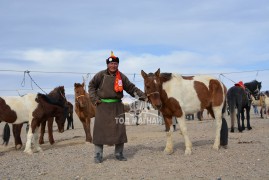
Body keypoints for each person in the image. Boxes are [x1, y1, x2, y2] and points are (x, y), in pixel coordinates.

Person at [88, 51, 146, 163]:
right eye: (111, 64)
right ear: (107, 65)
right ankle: (98, 155)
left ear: (118, 65)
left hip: (117, 106)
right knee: (100, 131)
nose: (113, 65)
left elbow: (131, 88)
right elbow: (91, 86)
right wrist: (95, 99)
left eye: (115, 64)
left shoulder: (121, 77)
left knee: (119, 130)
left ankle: (119, 154)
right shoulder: (100, 75)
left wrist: (142, 96)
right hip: (102, 106)